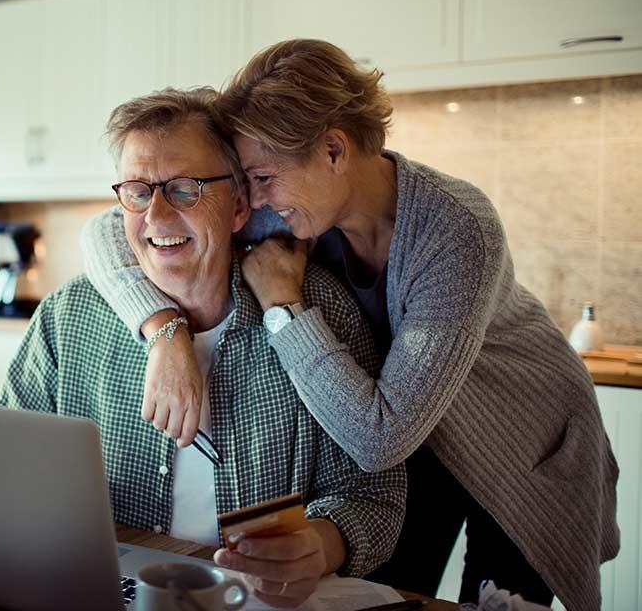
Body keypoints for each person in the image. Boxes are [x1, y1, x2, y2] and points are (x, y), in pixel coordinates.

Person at [79, 40, 619, 610]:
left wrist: (284, 306)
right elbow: (110, 229)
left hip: (520, 441)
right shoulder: (297, 202)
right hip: (415, 436)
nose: (254, 199)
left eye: (262, 176)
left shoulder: (458, 229)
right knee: (386, 591)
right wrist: (165, 331)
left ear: (334, 151)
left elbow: (378, 437)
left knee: (500, 603)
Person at [0, 88, 405, 608]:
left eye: (185, 189)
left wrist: (321, 545)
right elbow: (2, 468)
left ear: (238, 205)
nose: (158, 216)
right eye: (139, 192)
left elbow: (376, 497)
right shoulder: (68, 317)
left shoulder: (317, 309)